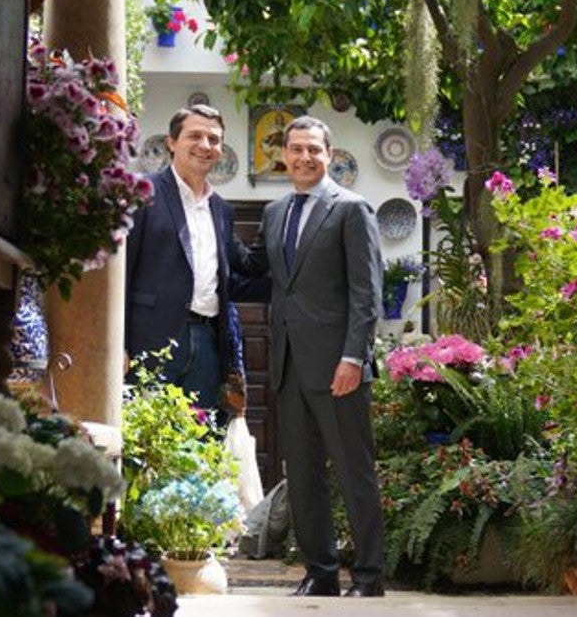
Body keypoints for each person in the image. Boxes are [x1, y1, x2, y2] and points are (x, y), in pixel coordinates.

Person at [261, 115, 385, 598]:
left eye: (314, 149)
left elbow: (366, 293)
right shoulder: (274, 214)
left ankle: (369, 577)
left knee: (354, 473)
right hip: (288, 364)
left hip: (338, 367)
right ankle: (321, 573)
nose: (304, 157)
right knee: (303, 475)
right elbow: (272, 280)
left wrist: (354, 357)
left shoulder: (352, 210)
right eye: (296, 149)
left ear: (329, 155)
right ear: (284, 156)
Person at [123, 104, 264, 429]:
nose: (205, 145)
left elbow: (237, 274)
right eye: (195, 136)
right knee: (146, 441)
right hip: (150, 341)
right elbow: (121, 274)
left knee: (201, 439)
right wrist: (119, 344)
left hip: (207, 342)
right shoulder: (142, 193)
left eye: (214, 139)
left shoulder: (221, 210)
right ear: (172, 142)